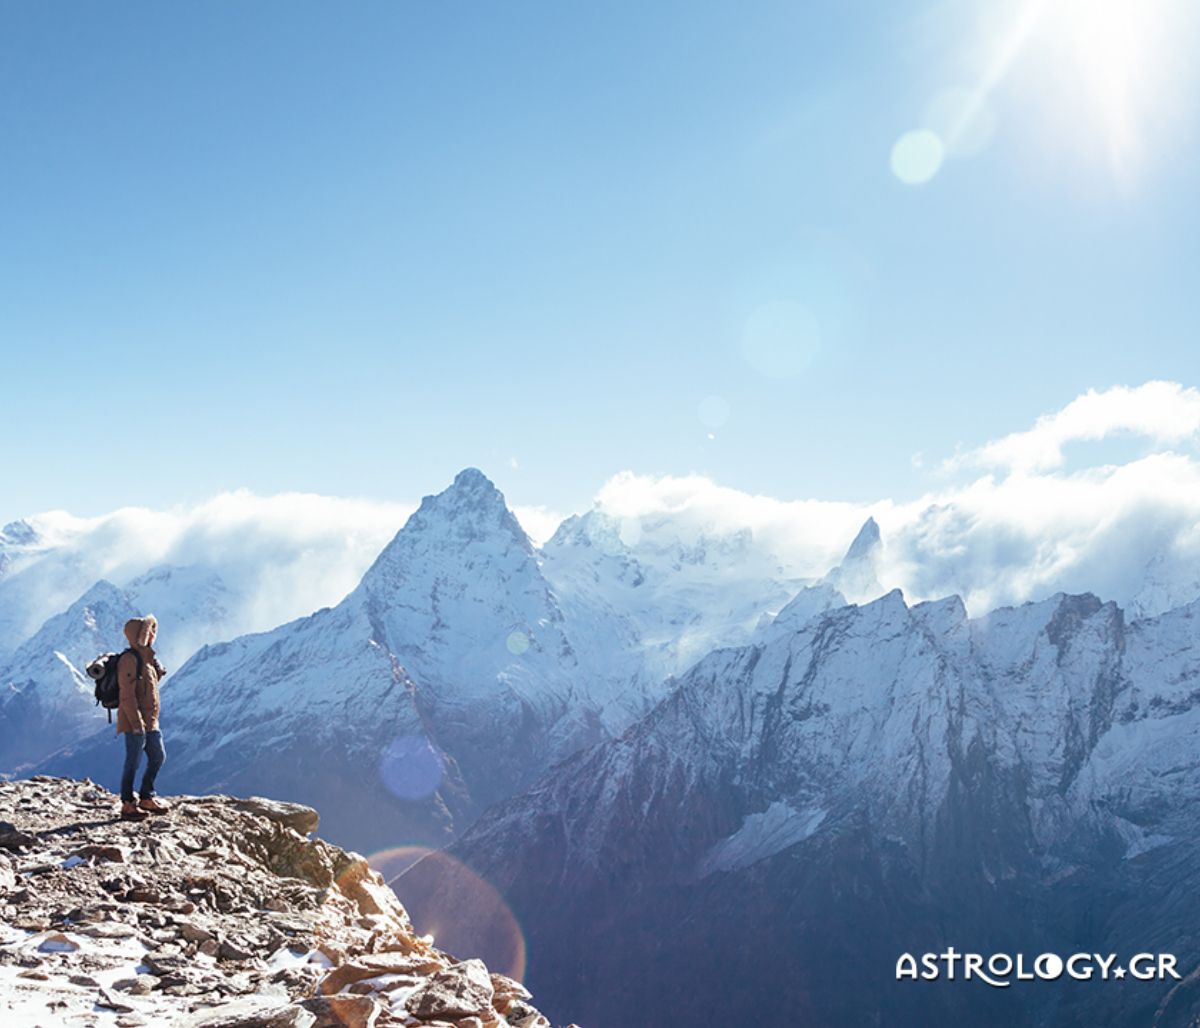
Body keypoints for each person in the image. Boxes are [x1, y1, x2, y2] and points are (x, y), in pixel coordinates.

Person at [116, 614, 170, 819]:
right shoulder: (129, 660)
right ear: (139, 635)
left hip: (150, 721)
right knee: (133, 762)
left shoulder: (147, 659)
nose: (153, 635)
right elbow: (127, 695)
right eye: (149, 632)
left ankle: (147, 796)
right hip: (135, 723)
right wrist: (137, 723)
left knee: (158, 756)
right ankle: (127, 803)